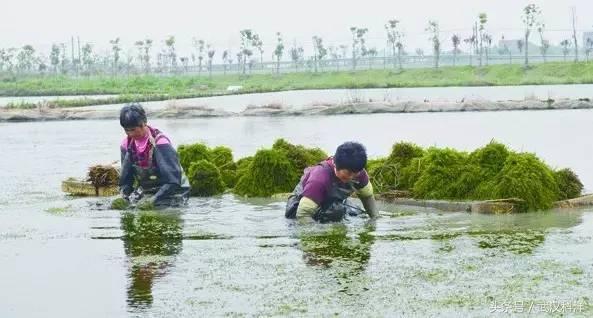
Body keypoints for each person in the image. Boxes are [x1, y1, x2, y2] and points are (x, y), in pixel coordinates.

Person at [118, 103, 190, 208]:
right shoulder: (126, 145)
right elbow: (126, 182)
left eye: (133, 129)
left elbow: (173, 182)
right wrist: (124, 197)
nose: (130, 134)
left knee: (157, 210)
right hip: (148, 191)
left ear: (143, 123)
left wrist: (152, 201)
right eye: (126, 130)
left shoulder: (160, 143)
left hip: (173, 192)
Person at [285, 142, 379, 222]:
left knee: (356, 210)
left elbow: (367, 197)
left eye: (355, 173)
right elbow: (303, 214)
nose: (352, 177)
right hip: (300, 206)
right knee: (336, 212)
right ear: (336, 165)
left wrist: (374, 220)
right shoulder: (319, 178)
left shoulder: (359, 173)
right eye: (348, 173)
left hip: (330, 201)